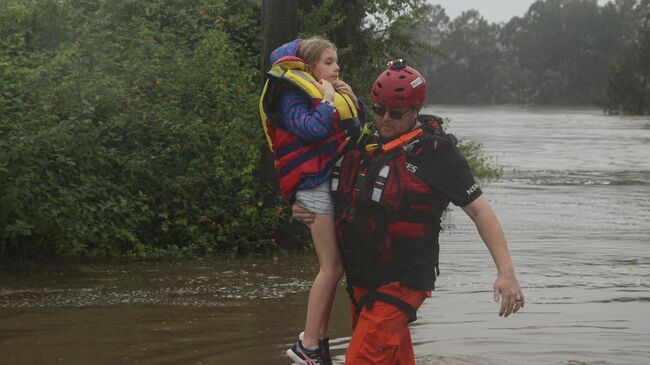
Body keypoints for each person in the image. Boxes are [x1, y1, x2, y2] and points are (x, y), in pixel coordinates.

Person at [293, 60, 525, 365]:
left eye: (396, 113)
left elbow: (480, 211)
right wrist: (305, 205)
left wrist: (506, 272)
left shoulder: (437, 155)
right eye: (379, 109)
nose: (384, 119)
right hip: (362, 281)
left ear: (416, 110)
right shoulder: (365, 141)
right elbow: (329, 183)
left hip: (401, 283)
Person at [259, 37, 363, 365]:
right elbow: (313, 130)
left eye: (337, 62)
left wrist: (350, 100)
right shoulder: (291, 94)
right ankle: (308, 344)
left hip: (324, 185)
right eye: (329, 62)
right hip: (312, 189)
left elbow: (355, 133)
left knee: (336, 267)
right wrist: (329, 100)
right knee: (330, 267)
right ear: (310, 65)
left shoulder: (319, 92)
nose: (337, 67)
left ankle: (315, 343)